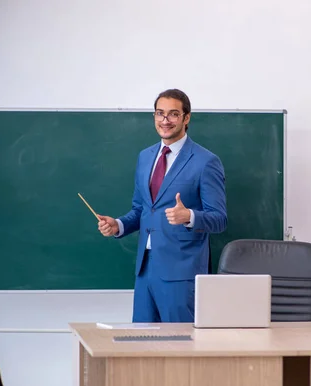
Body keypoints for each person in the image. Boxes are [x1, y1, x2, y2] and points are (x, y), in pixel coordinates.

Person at [97, 89, 227, 323]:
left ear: (186, 118)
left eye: (173, 114)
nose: (165, 121)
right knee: (143, 344)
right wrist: (118, 225)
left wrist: (189, 216)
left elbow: (219, 219)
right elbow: (142, 209)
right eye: (160, 113)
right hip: (145, 270)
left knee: (182, 348)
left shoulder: (206, 161)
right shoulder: (145, 157)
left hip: (182, 272)